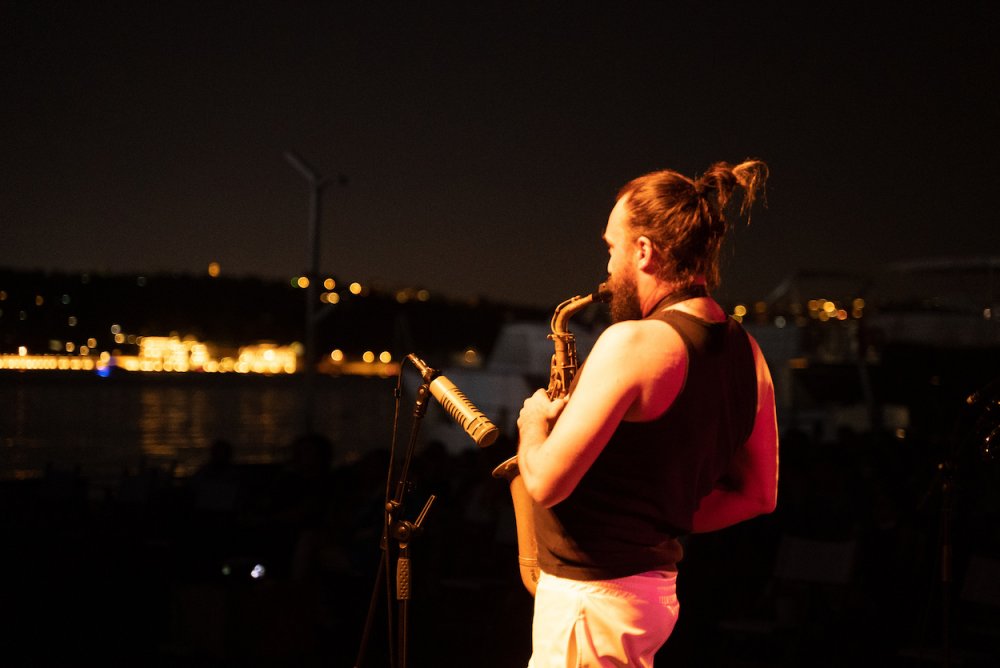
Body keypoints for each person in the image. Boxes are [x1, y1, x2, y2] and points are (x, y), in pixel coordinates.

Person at [515, 159, 779, 667]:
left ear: (643, 250)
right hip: (648, 594)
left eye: (611, 248)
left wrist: (532, 426)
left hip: (592, 603)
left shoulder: (633, 342)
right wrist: (657, 522)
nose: (608, 268)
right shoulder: (750, 354)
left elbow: (544, 483)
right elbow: (759, 496)